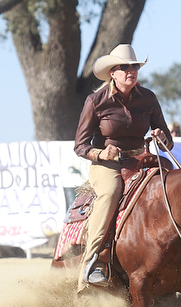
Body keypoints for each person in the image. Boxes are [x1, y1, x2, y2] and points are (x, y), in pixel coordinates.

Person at [74, 44, 174, 289]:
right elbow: (80, 146)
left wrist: (162, 136)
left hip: (142, 159)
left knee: (172, 185)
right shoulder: (96, 101)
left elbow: (167, 140)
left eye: (135, 66)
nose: (131, 71)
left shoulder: (148, 98)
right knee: (110, 192)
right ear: (113, 72)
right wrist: (101, 153)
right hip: (108, 164)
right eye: (125, 67)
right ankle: (94, 261)